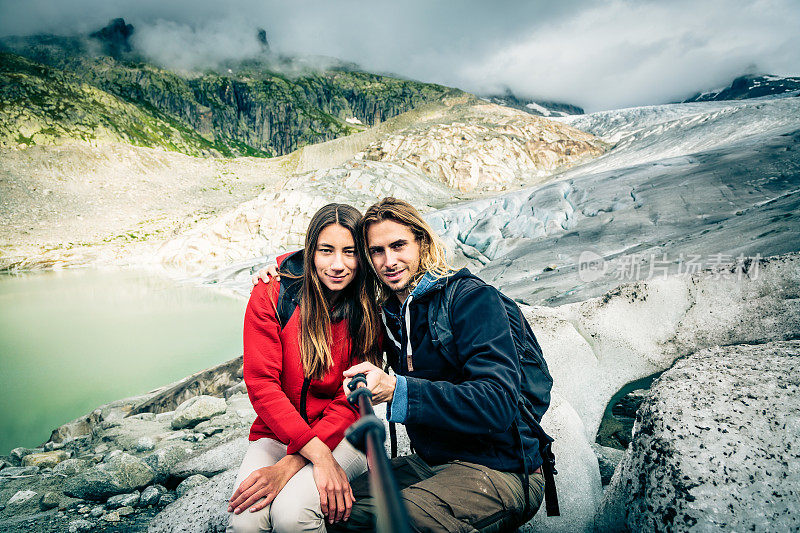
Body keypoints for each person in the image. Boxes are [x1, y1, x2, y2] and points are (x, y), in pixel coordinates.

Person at [335, 197, 547, 532]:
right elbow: (327, 274)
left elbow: (497, 403)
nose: (389, 261)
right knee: (338, 508)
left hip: (503, 469)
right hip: (433, 463)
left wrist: (396, 389)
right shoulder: (391, 314)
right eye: (377, 251)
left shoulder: (470, 299)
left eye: (399, 245)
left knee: (401, 516)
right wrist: (280, 272)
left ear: (421, 242)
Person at [228, 203, 383, 533]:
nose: (337, 265)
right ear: (311, 251)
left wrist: (295, 462)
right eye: (326, 251)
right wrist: (313, 455)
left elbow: (351, 400)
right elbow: (262, 384)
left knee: (293, 513)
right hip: (276, 433)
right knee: (246, 520)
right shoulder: (271, 293)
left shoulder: (368, 306)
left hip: (345, 434)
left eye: (350, 252)